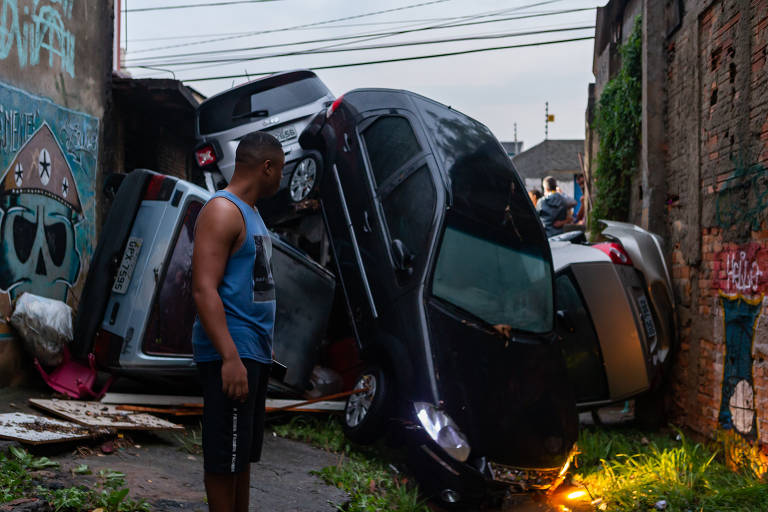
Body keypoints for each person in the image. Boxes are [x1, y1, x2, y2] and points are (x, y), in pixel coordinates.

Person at [191, 131, 284, 512]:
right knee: (222, 458)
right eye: (279, 169)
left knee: (240, 457)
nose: (282, 177)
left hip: (253, 350)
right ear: (266, 167)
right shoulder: (222, 210)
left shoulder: (253, 214)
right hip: (232, 350)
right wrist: (230, 357)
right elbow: (203, 289)